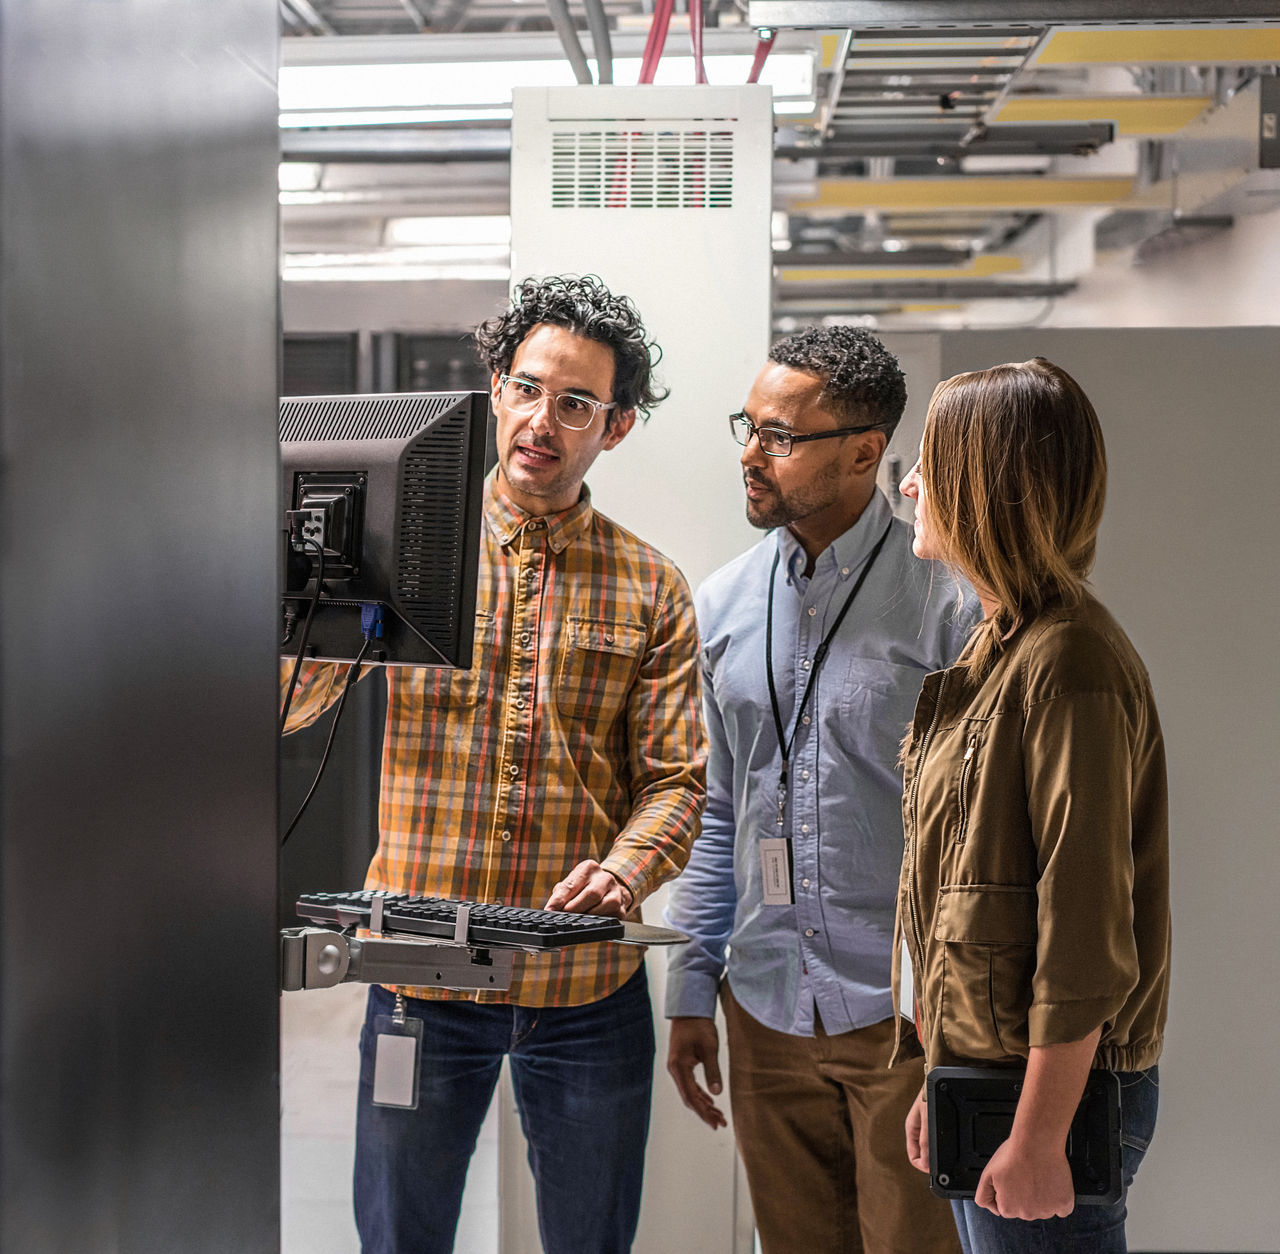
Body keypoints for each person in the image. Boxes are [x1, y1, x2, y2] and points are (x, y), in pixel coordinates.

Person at [284, 275, 706, 1254]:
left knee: (589, 1242)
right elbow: (287, 708)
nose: (540, 423)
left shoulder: (650, 588)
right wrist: (314, 597)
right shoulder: (405, 549)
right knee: (399, 1238)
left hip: (582, 994)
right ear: (494, 388)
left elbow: (677, 781)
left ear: (617, 426)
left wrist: (628, 869)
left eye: (575, 404)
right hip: (417, 976)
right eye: (526, 389)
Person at [664, 326, 978, 1254]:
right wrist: (691, 986)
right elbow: (723, 811)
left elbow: (974, 832)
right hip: (765, 1009)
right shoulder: (720, 606)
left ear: (864, 453)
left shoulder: (948, 604)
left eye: (781, 438)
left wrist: (962, 1023)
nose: (751, 457)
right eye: (749, 429)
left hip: (906, 1021)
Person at [896, 357, 1170, 1254]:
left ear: (985, 485)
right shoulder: (1003, 648)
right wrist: (942, 1077)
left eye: (930, 465)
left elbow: (1085, 928)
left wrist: (1040, 1135)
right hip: (991, 1080)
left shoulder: (1068, 664)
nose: (908, 485)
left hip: (1046, 1096)